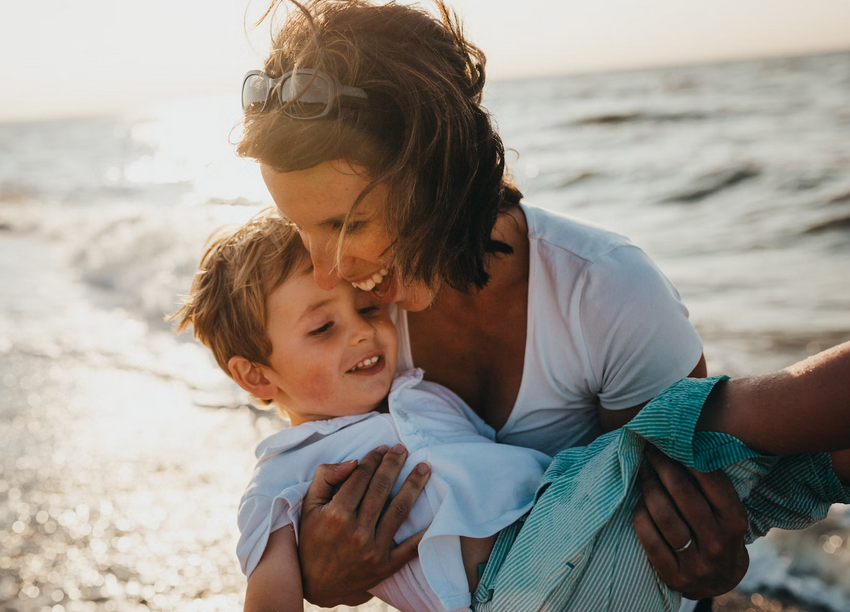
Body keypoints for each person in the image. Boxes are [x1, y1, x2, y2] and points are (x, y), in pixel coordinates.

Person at [236, 1, 749, 608]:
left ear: (438, 172)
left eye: (347, 223)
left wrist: (715, 562)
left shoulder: (605, 291)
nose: (327, 269)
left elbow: (692, 519)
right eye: (300, 228)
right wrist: (322, 577)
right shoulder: (353, 322)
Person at [170, 209, 850, 612]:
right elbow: (272, 592)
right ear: (257, 376)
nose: (363, 333)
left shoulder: (418, 391)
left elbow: (534, 469)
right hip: (515, 583)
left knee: (793, 468)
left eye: (367, 309)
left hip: (587, 545)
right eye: (323, 330)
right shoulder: (284, 474)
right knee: (704, 422)